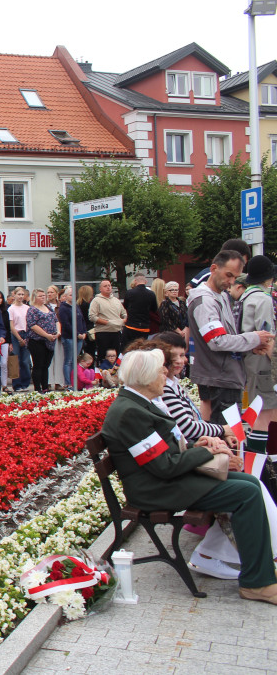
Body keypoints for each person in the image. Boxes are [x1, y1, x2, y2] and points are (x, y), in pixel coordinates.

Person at [101, 348, 277, 605]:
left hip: (163, 481)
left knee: (249, 483)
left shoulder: (136, 404)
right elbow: (165, 467)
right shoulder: (130, 411)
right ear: (145, 377)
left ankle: (259, 573)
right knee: (247, 493)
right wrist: (205, 452)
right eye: (160, 371)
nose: (166, 375)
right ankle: (256, 582)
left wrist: (196, 447)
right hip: (157, 490)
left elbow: (164, 457)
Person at [187, 249, 274, 424]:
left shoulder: (220, 297)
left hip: (224, 376)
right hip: (219, 377)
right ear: (214, 268)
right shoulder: (206, 301)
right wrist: (254, 338)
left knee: (228, 437)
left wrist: (251, 346)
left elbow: (225, 338)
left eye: (235, 277)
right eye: (228, 275)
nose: (231, 281)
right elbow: (216, 340)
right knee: (225, 438)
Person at [238, 255, 277, 452]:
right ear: (268, 278)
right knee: (265, 413)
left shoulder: (245, 296)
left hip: (249, 357)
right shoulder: (263, 299)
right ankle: (260, 460)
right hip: (263, 361)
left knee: (258, 410)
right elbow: (266, 333)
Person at [26, 289, 59, 393]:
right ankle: (38, 388)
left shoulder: (48, 307)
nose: (43, 297)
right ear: (35, 298)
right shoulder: (32, 310)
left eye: (44, 295)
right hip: (37, 340)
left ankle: (45, 387)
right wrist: (46, 335)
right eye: (40, 296)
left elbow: (56, 320)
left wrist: (58, 332)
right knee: (38, 365)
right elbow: (33, 325)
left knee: (46, 365)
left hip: (50, 341)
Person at [57, 286, 87, 390]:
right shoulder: (63, 308)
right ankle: (68, 383)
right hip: (69, 337)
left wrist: (84, 332)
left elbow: (82, 319)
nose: (73, 297)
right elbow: (66, 324)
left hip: (80, 337)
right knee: (69, 360)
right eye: (70, 295)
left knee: (75, 360)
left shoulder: (76, 306)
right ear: (65, 296)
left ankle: (75, 381)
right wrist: (77, 333)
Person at [89, 279, 125, 363]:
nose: (108, 287)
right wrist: (107, 323)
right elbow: (92, 316)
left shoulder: (116, 300)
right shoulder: (96, 301)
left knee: (117, 355)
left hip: (116, 332)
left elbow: (124, 313)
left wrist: (123, 321)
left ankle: (115, 373)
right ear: (100, 289)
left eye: (109, 285)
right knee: (103, 355)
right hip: (103, 332)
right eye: (105, 286)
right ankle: (101, 373)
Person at [122, 273, 157, 348]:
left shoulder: (130, 293)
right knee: (142, 348)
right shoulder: (151, 294)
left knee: (128, 348)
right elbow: (154, 309)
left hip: (131, 326)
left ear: (135, 281)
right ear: (146, 281)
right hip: (144, 327)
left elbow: (125, 307)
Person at [7, 288, 32, 392]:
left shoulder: (27, 308)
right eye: (19, 294)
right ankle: (16, 384)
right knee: (15, 360)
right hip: (15, 334)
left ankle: (25, 383)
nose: (21, 296)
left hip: (26, 333)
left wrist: (26, 337)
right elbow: (11, 326)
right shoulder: (11, 309)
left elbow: (30, 323)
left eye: (22, 294)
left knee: (25, 361)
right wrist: (19, 338)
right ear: (14, 295)